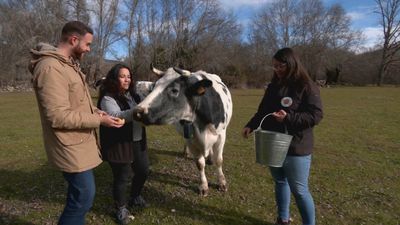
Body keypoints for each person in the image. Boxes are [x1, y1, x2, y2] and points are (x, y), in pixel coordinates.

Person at [29, 21, 123, 225]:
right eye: (87, 44)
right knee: (82, 198)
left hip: (78, 142)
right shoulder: (51, 68)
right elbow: (57, 116)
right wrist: (99, 120)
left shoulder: (66, 65)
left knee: (83, 197)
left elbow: (77, 103)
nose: (89, 49)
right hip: (68, 144)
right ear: (74, 40)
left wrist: (98, 111)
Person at [242, 47, 323, 225]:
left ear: (292, 64)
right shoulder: (273, 86)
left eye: (280, 66)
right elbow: (262, 111)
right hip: (272, 142)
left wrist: (289, 118)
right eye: (274, 66)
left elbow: (316, 115)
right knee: (280, 181)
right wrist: (251, 125)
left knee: (300, 190)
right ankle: (283, 219)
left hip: (296, 146)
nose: (277, 70)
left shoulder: (306, 86)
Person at [97, 63, 150, 225]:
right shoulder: (108, 98)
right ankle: (121, 208)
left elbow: (147, 105)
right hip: (119, 143)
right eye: (122, 76)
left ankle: (135, 196)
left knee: (143, 171)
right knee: (122, 177)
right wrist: (137, 111)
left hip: (137, 139)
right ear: (114, 78)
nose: (126, 79)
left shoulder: (134, 95)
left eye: (128, 76)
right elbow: (115, 115)